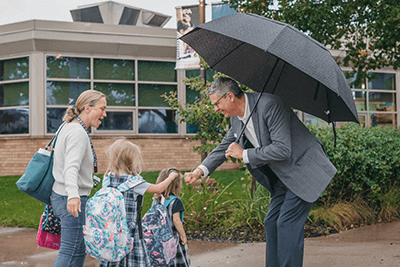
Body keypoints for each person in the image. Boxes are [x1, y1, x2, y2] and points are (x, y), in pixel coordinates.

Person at [184, 77, 337, 267]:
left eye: (217, 103)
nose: (215, 108)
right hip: (282, 176)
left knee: (287, 224)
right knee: (271, 222)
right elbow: (224, 146)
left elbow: (283, 149)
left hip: (302, 170)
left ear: (230, 96)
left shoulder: (270, 105)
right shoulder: (237, 118)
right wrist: (199, 171)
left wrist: (244, 154)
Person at [99, 139, 179, 267]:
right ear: (130, 160)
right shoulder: (134, 183)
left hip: (112, 231)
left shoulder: (107, 178)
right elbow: (158, 189)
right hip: (130, 232)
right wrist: (172, 176)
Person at [51, 90, 107, 267]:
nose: (105, 114)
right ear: (88, 108)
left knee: (79, 250)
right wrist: (73, 196)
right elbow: (71, 167)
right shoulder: (78, 132)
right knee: (70, 251)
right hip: (70, 200)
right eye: (102, 109)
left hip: (62, 196)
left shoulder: (69, 127)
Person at [153, 168, 191, 267]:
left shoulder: (156, 201)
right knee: (175, 261)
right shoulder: (176, 201)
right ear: (177, 185)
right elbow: (176, 220)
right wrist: (183, 235)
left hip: (159, 238)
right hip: (173, 239)